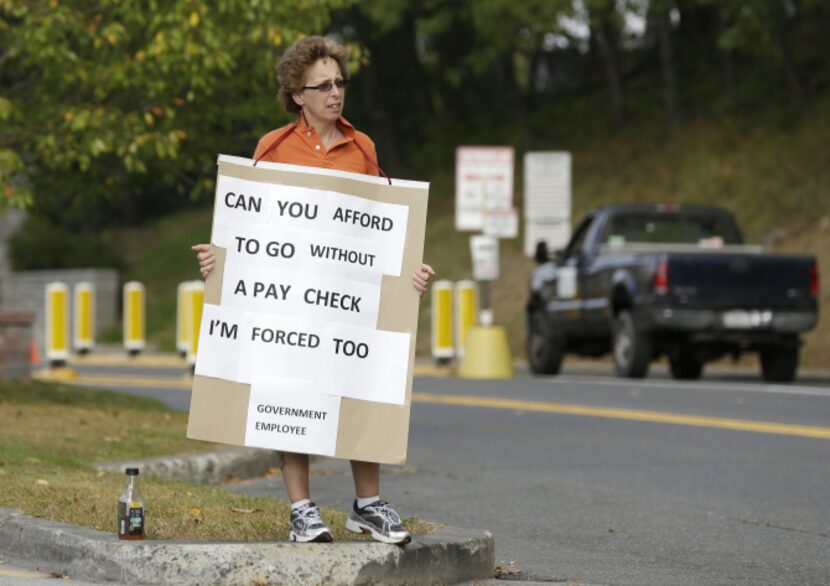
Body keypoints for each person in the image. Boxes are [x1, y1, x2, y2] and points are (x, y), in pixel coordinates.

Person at [191, 36, 435, 545]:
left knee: (359, 384)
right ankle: (301, 510)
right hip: (288, 301)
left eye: (339, 82)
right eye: (322, 85)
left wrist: (409, 271)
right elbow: (248, 226)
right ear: (297, 95)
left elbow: (385, 225)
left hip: (347, 297)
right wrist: (220, 261)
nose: (335, 92)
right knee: (289, 391)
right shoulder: (273, 147)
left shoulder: (363, 147)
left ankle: (368, 504)